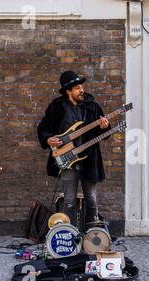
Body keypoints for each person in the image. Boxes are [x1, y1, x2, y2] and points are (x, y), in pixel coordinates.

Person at [37, 70, 111, 229]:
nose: (81, 90)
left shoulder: (93, 107)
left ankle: (93, 235)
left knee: (91, 198)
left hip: (89, 158)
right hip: (67, 158)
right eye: (77, 87)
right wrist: (48, 139)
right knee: (69, 200)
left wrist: (105, 127)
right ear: (68, 91)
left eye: (81, 86)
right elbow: (43, 128)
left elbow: (104, 134)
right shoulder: (56, 107)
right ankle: (69, 234)